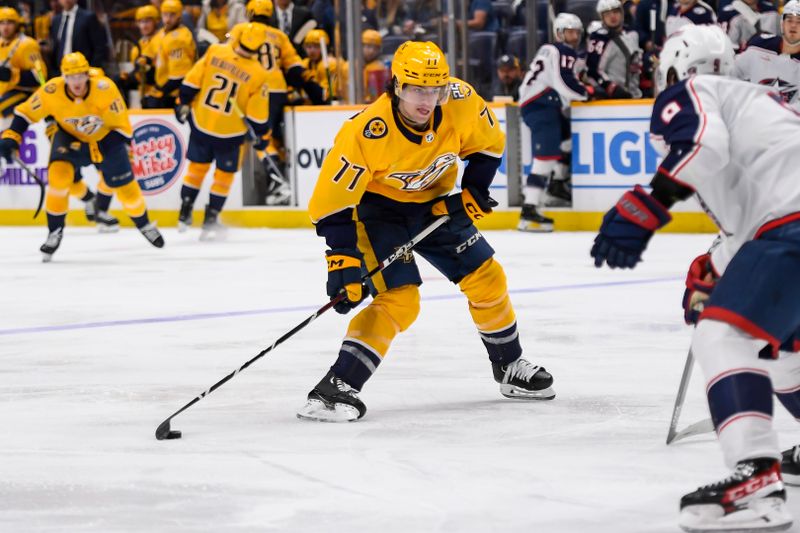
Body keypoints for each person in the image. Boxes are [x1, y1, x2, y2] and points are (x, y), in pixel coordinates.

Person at [590, 24, 800, 532]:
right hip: (781, 230)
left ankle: (756, 478)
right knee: (782, 350)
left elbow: (702, 148)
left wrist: (647, 206)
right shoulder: (761, 104)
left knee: (722, 335)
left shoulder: (694, 91)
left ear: (674, 71)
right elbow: (755, 196)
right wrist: (721, 265)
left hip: (790, 229)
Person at [298, 41, 555, 423]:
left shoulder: (460, 99)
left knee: (488, 278)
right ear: (397, 86)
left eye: (433, 90)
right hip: (376, 213)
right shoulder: (367, 131)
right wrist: (342, 262)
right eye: (417, 89)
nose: (426, 100)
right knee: (401, 299)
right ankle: (336, 387)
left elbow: (488, 146)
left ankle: (509, 366)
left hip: (433, 207)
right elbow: (332, 204)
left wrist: (474, 190)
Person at [0, 52, 164, 261]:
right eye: (71, 76)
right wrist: (11, 137)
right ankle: (54, 232)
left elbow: (122, 129)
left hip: (106, 138)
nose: (76, 81)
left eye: (80, 76)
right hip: (69, 137)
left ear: (87, 75)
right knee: (58, 178)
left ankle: (144, 224)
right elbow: (24, 113)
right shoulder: (52, 89)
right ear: (63, 77)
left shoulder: (105, 89)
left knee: (127, 191)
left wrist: (97, 150)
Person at [175, 23, 270, 238]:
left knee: (196, 170)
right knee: (223, 177)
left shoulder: (216, 50)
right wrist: (262, 135)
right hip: (230, 132)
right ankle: (211, 219)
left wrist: (183, 101)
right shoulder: (258, 73)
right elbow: (257, 117)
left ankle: (185, 210)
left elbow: (191, 82)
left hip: (202, 123)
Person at [228, 0, 325, 204]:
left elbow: (227, 57)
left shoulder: (240, 29)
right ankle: (279, 180)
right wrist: (315, 90)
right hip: (278, 90)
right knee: (273, 137)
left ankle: (279, 181)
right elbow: (296, 68)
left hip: (255, 90)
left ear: (250, 11)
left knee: (259, 137)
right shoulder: (279, 36)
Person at [517, 13, 587, 232]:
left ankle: (557, 185)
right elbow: (565, 84)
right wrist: (587, 92)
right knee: (545, 158)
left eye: (577, 32)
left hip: (542, 104)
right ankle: (529, 211)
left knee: (566, 139)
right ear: (559, 33)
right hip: (541, 105)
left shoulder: (549, 50)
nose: (574, 36)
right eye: (570, 32)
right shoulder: (562, 50)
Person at [733, 0, 800, 107]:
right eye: (789, 20)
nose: (793, 26)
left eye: (799, 21)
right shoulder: (759, 45)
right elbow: (731, 73)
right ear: (782, 24)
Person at [587, 0, 643, 99]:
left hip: (636, 96)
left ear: (622, 12)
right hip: (613, 100)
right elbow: (592, 71)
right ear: (602, 17)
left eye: (615, 12)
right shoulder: (599, 39)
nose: (612, 16)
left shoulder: (632, 34)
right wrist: (611, 88)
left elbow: (636, 63)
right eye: (607, 14)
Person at [0, 7, 46, 125]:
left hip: (26, 94)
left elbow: (41, 78)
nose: (5, 27)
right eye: (2, 23)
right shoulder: (1, 42)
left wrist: (12, 74)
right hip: (4, 91)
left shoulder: (28, 44)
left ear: (17, 24)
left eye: (9, 22)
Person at [116, 5, 163, 109]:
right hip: (146, 94)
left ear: (156, 21)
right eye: (141, 22)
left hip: (162, 92)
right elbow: (140, 75)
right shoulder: (137, 48)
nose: (144, 26)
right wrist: (129, 77)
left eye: (147, 21)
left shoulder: (163, 40)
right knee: (119, 80)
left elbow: (158, 72)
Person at [155, 0, 196, 107]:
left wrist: (160, 92)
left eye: (172, 15)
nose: (168, 19)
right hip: (165, 87)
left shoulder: (179, 38)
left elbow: (179, 77)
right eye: (165, 14)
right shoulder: (162, 32)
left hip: (175, 94)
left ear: (179, 16)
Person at [50, 0, 108, 72]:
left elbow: (100, 46)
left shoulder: (88, 17)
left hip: (83, 71)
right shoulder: (56, 20)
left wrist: (91, 69)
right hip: (61, 71)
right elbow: (56, 48)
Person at [301, 28, 345, 101]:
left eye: (316, 46)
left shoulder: (330, 64)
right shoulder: (304, 64)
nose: (312, 50)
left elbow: (325, 95)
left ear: (325, 48)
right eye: (309, 47)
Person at [362, 29, 387, 104]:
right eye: (368, 46)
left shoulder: (378, 68)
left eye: (376, 48)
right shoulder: (349, 66)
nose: (372, 51)